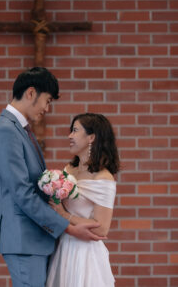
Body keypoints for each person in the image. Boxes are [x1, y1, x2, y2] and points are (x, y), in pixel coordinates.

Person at [0, 67, 105, 287]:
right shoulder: (6, 131)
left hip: (35, 240)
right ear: (31, 93)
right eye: (47, 101)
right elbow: (22, 193)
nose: (47, 109)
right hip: (25, 240)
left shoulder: (21, 130)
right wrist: (67, 226)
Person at [46, 113, 120, 287]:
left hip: (85, 253)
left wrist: (64, 215)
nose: (69, 136)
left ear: (91, 137)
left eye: (75, 131)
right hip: (62, 247)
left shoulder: (103, 178)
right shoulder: (68, 170)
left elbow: (101, 228)